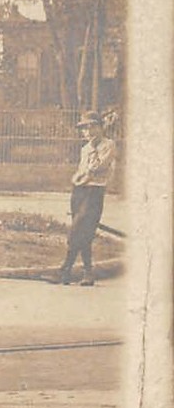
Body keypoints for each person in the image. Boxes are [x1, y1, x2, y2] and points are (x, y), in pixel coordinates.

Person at [58, 111, 115, 286]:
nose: (89, 131)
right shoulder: (85, 149)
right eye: (85, 128)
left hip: (94, 191)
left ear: (101, 127)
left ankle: (65, 269)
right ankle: (87, 273)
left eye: (93, 126)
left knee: (78, 229)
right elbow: (80, 172)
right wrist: (78, 179)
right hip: (79, 191)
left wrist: (84, 176)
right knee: (85, 231)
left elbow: (97, 168)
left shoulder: (108, 145)